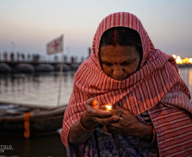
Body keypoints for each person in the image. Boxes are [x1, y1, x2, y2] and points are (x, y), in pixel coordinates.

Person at [61, 12, 192, 157]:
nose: (117, 73)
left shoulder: (162, 72)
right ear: (98, 56)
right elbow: (72, 139)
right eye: (108, 63)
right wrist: (87, 120)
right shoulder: (86, 75)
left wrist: (140, 130)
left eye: (127, 63)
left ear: (143, 52)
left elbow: (184, 130)